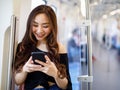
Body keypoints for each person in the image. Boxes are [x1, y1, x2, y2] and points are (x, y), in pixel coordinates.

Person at [13, 5, 72, 90]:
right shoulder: (23, 47)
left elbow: (66, 85)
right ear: (30, 25)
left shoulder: (59, 48)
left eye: (45, 26)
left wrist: (55, 73)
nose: (39, 30)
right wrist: (25, 69)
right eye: (35, 25)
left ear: (52, 27)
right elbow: (17, 81)